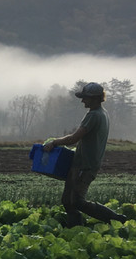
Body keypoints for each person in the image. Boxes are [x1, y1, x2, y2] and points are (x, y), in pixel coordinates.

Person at [43, 81, 128, 228]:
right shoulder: (103, 113)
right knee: (67, 200)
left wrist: (54, 143)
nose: (82, 100)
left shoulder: (94, 115)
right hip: (81, 163)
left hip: (85, 165)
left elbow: (73, 138)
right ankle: (75, 228)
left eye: (85, 97)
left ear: (95, 98)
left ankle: (116, 219)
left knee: (77, 201)